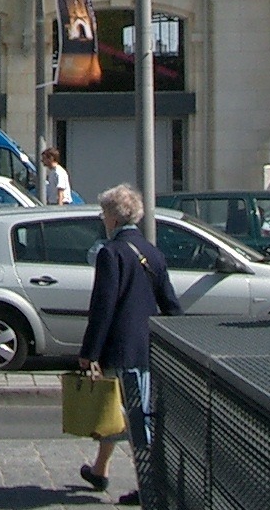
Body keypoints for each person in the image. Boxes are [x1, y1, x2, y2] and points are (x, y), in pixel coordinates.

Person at [78, 184, 179, 506]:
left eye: (103, 213)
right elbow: (170, 303)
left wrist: (89, 352)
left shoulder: (111, 253)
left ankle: (149, 488)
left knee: (136, 419)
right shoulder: (152, 252)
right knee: (119, 410)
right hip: (146, 346)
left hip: (121, 348)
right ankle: (99, 469)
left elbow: (103, 306)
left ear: (113, 217)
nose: (102, 219)